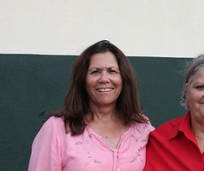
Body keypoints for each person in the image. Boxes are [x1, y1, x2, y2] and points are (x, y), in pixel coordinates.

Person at [28, 40, 154, 171]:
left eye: (112, 71)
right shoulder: (56, 129)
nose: (104, 79)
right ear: (83, 80)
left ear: (124, 80)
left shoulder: (143, 128)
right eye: (95, 71)